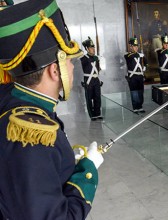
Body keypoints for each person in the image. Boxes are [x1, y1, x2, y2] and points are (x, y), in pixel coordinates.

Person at [0, 0, 104, 219]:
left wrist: (59, 164)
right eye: (69, 61)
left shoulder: (12, 99)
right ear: (55, 71)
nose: (73, 66)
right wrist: (87, 171)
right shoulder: (31, 135)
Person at [80, 37, 103, 121]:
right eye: (91, 47)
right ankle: (92, 115)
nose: (93, 49)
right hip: (88, 80)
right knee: (89, 98)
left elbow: (98, 69)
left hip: (96, 80)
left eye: (93, 47)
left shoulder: (96, 58)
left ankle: (97, 113)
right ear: (87, 48)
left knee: (97, 97)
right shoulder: (83, 58)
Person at [124, 36, 148, 113]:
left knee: (141, 92)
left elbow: (146, 62)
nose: (136, 47)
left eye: (137, 46)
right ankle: (135, 107)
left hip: (140, 76)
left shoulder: (141, 55)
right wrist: (140, 54)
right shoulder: (128, 55)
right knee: (134, 92)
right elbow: (131, 56)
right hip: (132, 76)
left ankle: (140, 106)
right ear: (131, 47)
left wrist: (145, 67)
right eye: (134, 46)